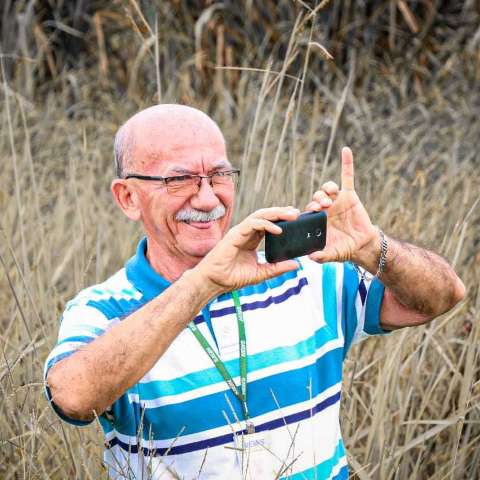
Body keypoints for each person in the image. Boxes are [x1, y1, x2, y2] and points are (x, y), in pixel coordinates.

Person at [44, 104, 465, 479]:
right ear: (128, 198)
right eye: (180, 179)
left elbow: (442, 296)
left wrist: (374, 247)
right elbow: (74, 398)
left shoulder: (304, 275)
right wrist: (205, 282)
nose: (208, 199)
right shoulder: (102, 309)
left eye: (220, 175)